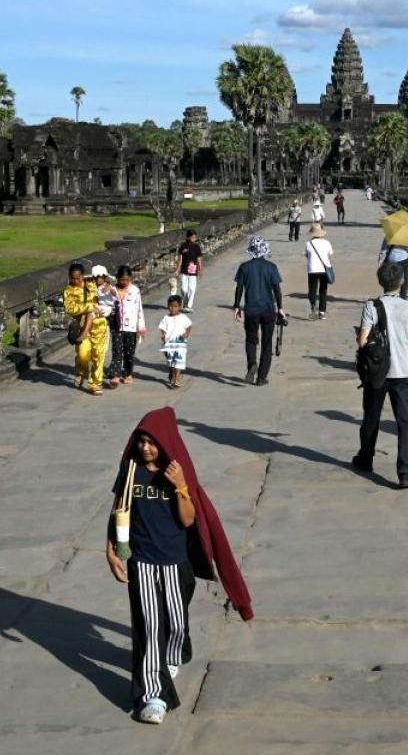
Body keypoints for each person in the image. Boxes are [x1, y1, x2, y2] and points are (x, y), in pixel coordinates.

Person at [106, 406, 253, 724]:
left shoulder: (176, 470)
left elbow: (188, 519)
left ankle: (173, 653)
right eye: (142, 440)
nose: (146, 447)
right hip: (141, 560)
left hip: (175, 561)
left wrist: (182, 486)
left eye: (152, 442)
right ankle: (152, 694)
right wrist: (111, 550)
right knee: (148, 627)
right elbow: (120, 508)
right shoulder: (131, 469)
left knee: (174, 618)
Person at [353, 262, 408, 489]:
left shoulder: (371, 306)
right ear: (401, 281)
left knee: (371, 417)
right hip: (403, 371)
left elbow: (363, 340)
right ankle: (405, 473)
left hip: (377, 372)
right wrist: (405, 354)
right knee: (405, 422)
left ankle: (365, 459)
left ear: (380, 281)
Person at [233, 236, 286, 386]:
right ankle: (261, 377)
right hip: (268, 309)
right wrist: (280, 308)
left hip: (251, 310)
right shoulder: (271, 267)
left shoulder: (244, 267)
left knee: (251, 340)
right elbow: (277, 290)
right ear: (264, 250)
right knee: (267, 343)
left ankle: (252, 365)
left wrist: (236, 306)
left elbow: (239, 289)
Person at [63, 262, 109, 395]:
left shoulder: (91, 282)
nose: (76, 281)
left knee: (98, 356)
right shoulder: (68, 291)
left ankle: (95, 384)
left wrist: (107, 285)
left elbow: (108, 281)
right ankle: (80, 371)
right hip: (82, 326)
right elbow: (70, 309)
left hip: (99, 324)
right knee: (83, 355)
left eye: (78, 278)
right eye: (73, 278)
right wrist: (88, 308)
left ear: (83, 276)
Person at [110, 265, 146, 386]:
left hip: (131, 326)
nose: (124, 282)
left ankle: (127, 373)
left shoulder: (135, 291)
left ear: (130, 278)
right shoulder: (112, 290)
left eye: (126, 280)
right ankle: (115, 374)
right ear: (117, 279)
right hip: (116, 325)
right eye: (121, 280)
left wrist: (141, 327)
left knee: (129, 352)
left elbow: (139, 309)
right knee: (117, 350)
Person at [159, 295, 192, 389]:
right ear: (167, 306)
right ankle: (171, 372)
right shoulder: (165, 318)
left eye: (175, 306)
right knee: (171, 362)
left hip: (180, 343)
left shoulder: (183, 317)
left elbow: (189, 326)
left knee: (179, 361)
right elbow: (162, 328)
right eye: (171, 306)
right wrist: (163, 334)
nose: (173, 308)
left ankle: (177, 379)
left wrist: (186, 334)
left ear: (180, 306)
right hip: (168, 344)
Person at [306, 224, 333, 320]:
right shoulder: (327, 242)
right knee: (323, 290)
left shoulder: (309, 244)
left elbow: (307, 255)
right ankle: (322, 312)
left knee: (312, 290)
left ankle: (313, 306)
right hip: (324, 269)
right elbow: (330, 254)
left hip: (312, 269)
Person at [175, 229, 203, 313]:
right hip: (184, 270)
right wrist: (177, 269)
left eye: (195, 237)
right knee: (184, 289)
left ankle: (189, 306)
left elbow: (199, 259)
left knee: (192, 288)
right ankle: (185, 304)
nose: (194, 238)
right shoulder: (183, 247)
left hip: (193, 270)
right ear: (188, 237)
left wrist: (200, 269)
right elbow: (180, 260)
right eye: (192, 237)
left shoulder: (197, 247)